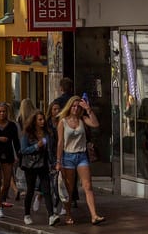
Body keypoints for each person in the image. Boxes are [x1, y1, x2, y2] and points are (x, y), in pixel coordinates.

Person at [55, 95, 105, 225]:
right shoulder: (63, 122)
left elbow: (95, 124)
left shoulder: (83, 119)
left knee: (88, 186)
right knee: (70, 188)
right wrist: (58, 161)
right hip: (68, 156)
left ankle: (94, 215)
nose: (76, 108)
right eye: (74, 106)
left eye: (78, 106)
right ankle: (68, 213)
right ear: (69, 106)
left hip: (81, 155)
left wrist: (88, 109)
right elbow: (60, 142)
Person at [20, 111, 58, 226]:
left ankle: (51, 215)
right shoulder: (28, 133)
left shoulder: (47, 133)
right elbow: (23, 150)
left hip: (43, 164)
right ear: (34, 121)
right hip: (31, 165)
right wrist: (37, 146)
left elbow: (50, 150)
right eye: (40, 120)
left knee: (46, 190)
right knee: (30, 190)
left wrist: (53, 162)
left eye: (43, 119)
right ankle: (27, 214)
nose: (42, 122)